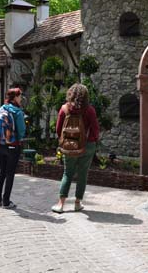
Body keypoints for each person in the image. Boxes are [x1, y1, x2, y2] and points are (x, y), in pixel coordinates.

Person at [51, 83, 100, 214]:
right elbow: (95, 130)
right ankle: (77, 203)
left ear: (70, 94)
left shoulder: (64, 109)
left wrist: (66, 141)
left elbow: (58, 129)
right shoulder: (90, 110)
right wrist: (92, 141)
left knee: (67, 173)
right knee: (83, 174)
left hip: (69, 146)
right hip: (87, 145)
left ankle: (61, 205)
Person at [0, 88, 26, 209]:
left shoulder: (0, 110)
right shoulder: (17, 112)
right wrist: (20, 138)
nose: (21, 98)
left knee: (2, 172)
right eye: (20, 96)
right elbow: (22, 131)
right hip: (12, 146)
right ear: (15, 98)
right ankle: (6, 202)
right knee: (10, 174)